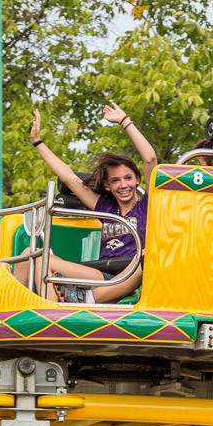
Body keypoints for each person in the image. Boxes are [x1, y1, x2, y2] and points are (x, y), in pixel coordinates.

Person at [17, 103, 157, 303]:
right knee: (32, 256)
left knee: (41, 260)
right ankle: (43, 312)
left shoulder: (147, 206)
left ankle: (72, 299)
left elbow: (150, 158)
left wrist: (125, 121)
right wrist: (37, 142)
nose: (123, 185)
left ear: (137, 179)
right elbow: (69, 178)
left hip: (128, 275)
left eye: (128, 178)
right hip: (100, 275)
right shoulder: (106, 208)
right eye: (116, 181)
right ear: (108, 185)